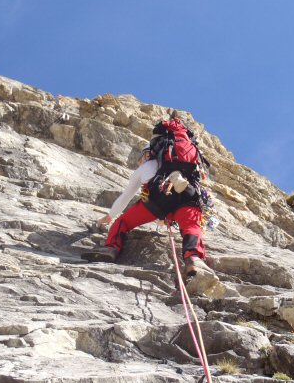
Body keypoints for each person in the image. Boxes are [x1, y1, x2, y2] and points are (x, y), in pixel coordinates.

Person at [81, 110, 210, 278]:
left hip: (159, 198)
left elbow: (126, 196)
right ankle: (193, 258)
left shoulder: (148, 166)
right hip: (189, 194)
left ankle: (111, 249)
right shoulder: (187, 157)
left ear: (149, 152)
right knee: (192, 226)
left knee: (123, 222)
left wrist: (110, 215)